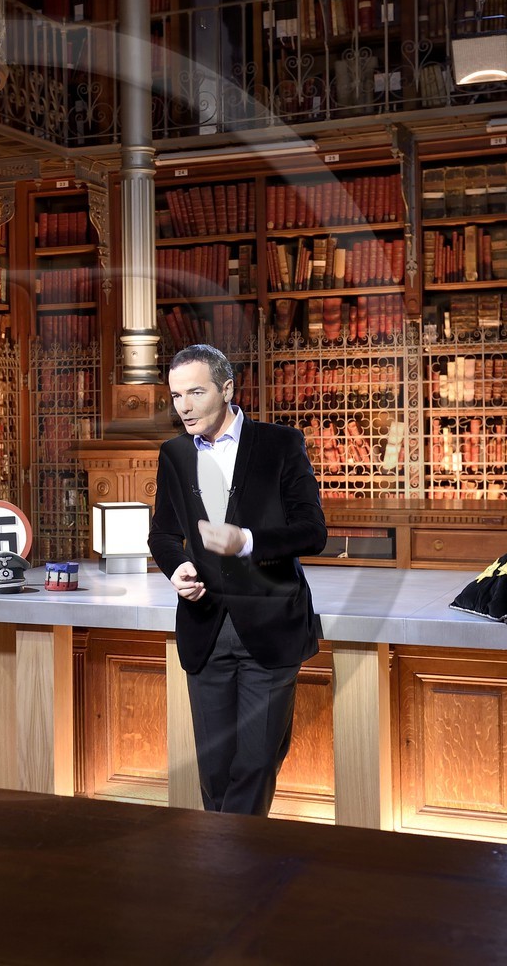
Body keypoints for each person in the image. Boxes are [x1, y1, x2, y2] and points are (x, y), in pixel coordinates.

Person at [147, 344, 328, 815]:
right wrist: (177, 568)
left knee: (255, 764)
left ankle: (234, 873)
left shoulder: (280, 444)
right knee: (215, 768)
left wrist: (245, 540)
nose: (183, 406)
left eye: (195, 392)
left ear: (227, 389)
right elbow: (163, 534)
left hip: (270, 628)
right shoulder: (174, 453)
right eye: (175, 395)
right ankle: (227, 868)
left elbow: (313, 532)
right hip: (205, 629)